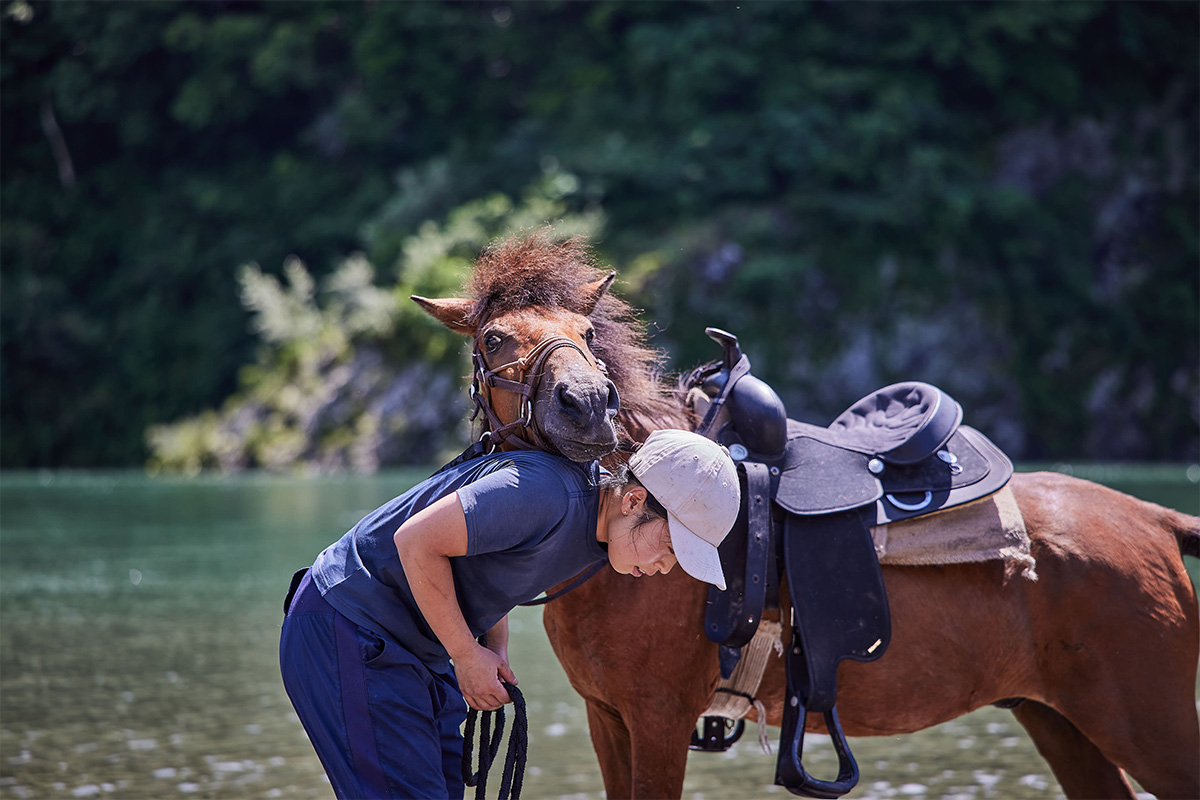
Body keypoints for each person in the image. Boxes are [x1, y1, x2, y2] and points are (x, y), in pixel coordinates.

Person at [279, 428, 740, 800]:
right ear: (634, 501)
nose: (666, 567)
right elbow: (414, 541)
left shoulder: (600, 539)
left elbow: (485, 565)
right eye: (671, 546)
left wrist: (492, 647)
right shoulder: (544, 495)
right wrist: (464, 653)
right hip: (348, 625)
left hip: (412, 647)